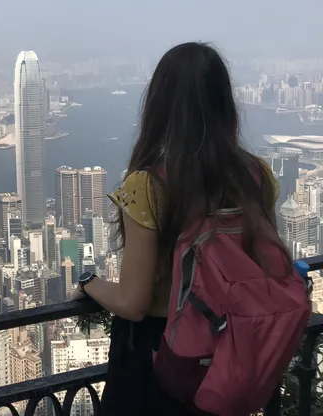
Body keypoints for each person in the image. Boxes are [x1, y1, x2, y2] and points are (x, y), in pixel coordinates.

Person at [70, 42, 282, 415]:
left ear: (160, 106)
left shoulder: (147, 187)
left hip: (160, 358)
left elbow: (134, 304)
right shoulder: (257, 176)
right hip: (230, 349)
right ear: (224, 103)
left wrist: (89, 283)